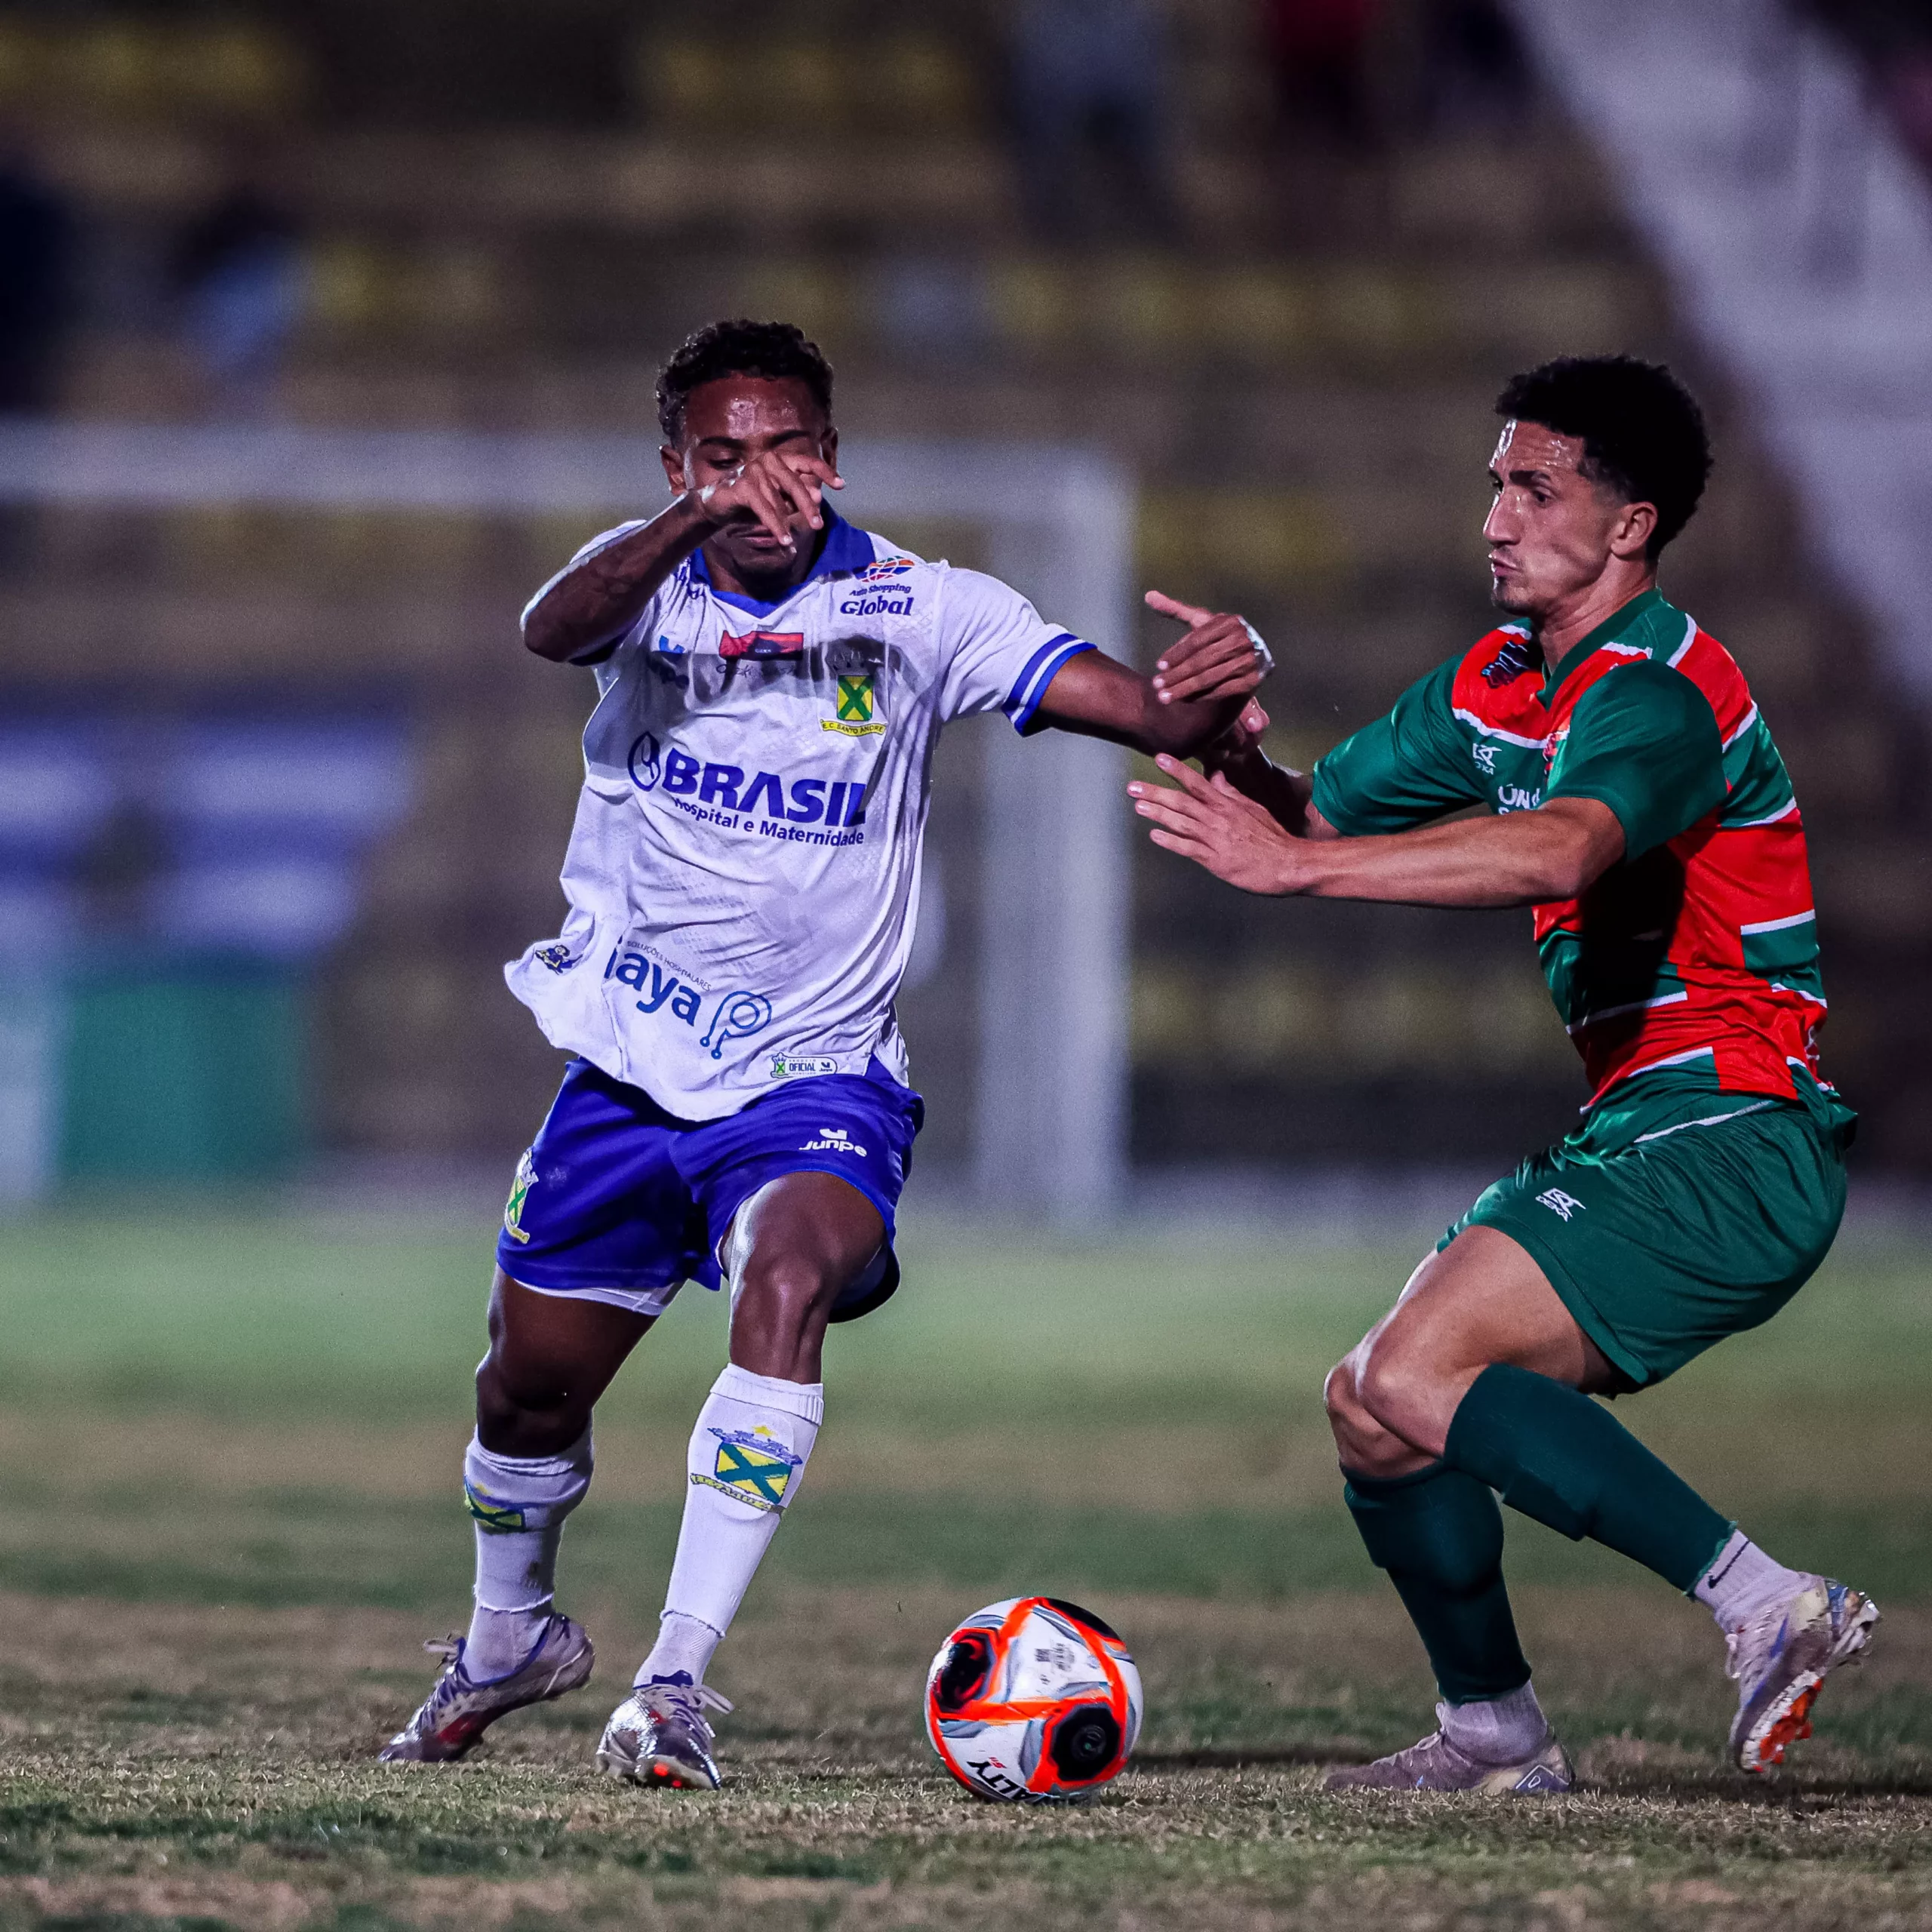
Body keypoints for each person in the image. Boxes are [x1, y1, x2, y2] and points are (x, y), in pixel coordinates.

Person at [378, 318, 1271, 1787]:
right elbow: (547, 628)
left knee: (784, 1279)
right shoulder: (640, 588)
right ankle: (508, 1636)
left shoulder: (925, 607)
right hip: (628, 1067)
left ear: (831, 456)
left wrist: (1222, 687)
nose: (757, 478)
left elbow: (1156, 711)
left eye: (783, 446)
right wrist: (682, 528)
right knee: (524, 1389)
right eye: (719, 454)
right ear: (675, 467)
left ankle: (671, 1681)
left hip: (817, 1073)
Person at [1129, 354, 1875, 1791]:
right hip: (1645, 1129)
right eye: (1495, 483)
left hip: (1736, 1134)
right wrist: (1230, 742)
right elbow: (1313, 805)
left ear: (1630, 525)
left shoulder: (1656, 693)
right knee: (1372, 1403)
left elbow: (1564, 849)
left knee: (1416, 1368)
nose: (1497, 515)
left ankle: (1765, 1602)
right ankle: (1492, 1732)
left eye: (1537, 488)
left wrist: (1299, 873)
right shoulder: (1499, 681)